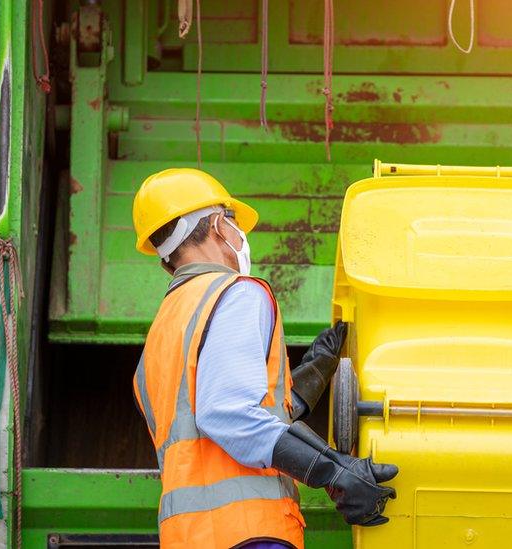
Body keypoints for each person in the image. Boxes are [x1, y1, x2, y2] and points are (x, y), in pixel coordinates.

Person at [130, 168, 398, 549]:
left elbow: (205, 422)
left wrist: (309, 377)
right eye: (235, 222)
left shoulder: (164, 328)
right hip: (248, 532)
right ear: (220, 225)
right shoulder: (234, 292)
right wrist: (333, 471)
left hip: (189, 536)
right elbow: (226, 413)